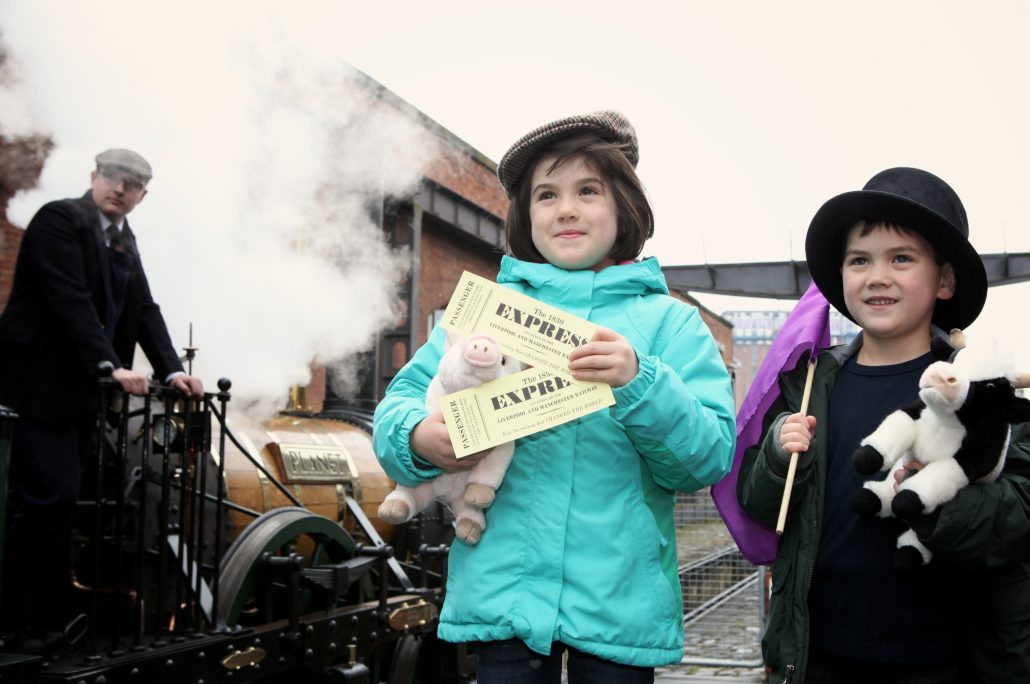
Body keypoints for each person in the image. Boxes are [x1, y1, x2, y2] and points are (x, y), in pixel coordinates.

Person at [373, 111, 736, 683]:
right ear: (525, 216)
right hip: (503, 601)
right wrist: (418, 440)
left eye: (587, 190)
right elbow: (399, 405)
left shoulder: (672, 328)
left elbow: (706, 459)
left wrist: (641, 382)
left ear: (624, 206)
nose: (565, 208)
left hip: (617, 607)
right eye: (546, 194)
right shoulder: (483, 313)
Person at [737, 167, 1030, 683]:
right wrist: (779, 460)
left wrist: (943, 501)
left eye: (901, 258)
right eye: (859, 260)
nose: (877, 276)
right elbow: (762, 506)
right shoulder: (809, 385)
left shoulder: (982, 388)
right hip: (819, 655)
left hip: (942, 659)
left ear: (943, 280)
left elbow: (1018, 514)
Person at [0, 149, 204, 651]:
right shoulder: (59, 219)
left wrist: (173, 370)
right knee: (48, 498)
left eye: (132, 184)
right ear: (94, 177)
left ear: (143, 195)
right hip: (32, 390)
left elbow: (143, 308)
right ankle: (10, 620)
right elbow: (67, 297)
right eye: (113, 178)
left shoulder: (124, 241)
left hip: (77, 400)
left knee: (65, 505)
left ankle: (44, 620)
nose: (120, 188)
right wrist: (109, 365)